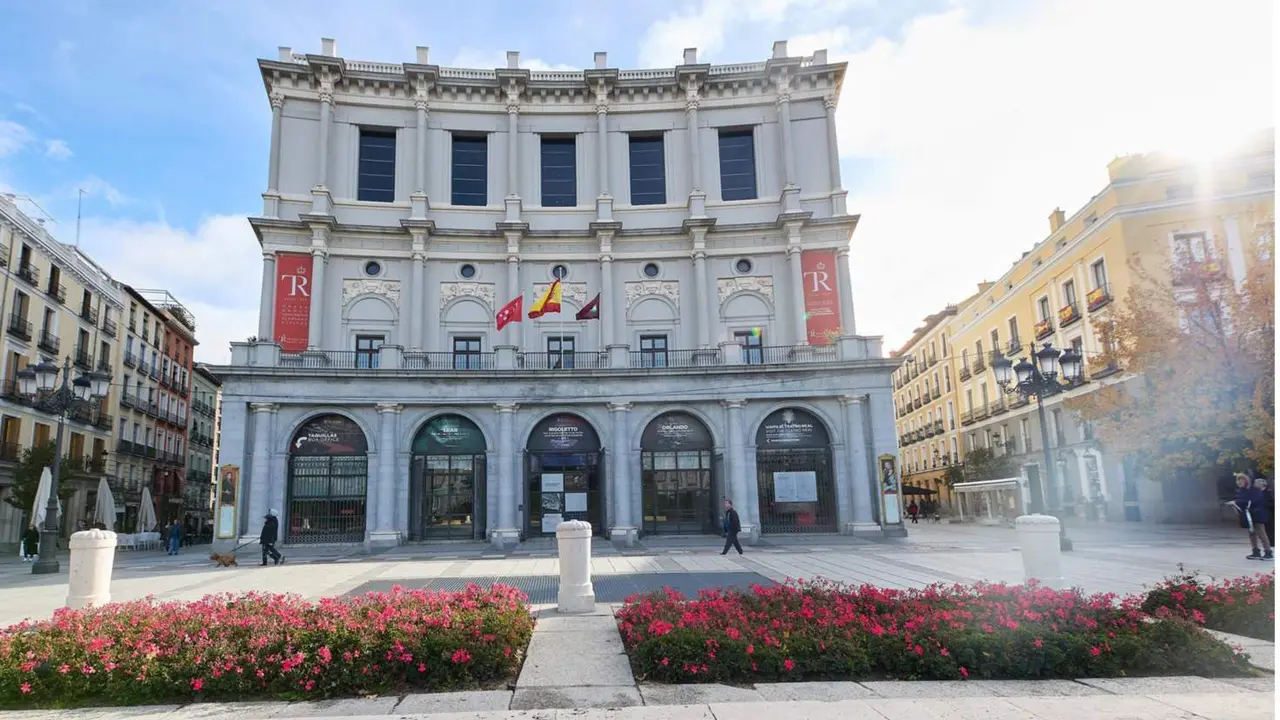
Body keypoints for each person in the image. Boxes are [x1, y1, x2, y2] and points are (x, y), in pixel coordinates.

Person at [1229, 472, 1272, 561]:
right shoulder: (1241, 490)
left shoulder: (1254, 490)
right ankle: (1256, 551)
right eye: (1238, 480)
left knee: (1261, 533)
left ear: (1246, 481)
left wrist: (1236, 502)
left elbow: (1252, 501)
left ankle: (1268, 552)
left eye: (1241, 480)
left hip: (1257, 514)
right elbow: (1241, 500)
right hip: (1248, 515)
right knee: (1251, 533)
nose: (1239, 482)